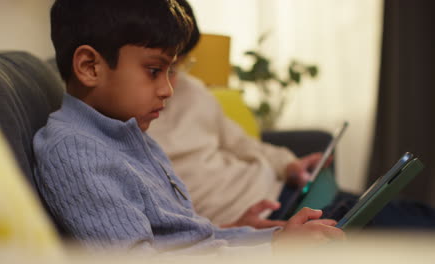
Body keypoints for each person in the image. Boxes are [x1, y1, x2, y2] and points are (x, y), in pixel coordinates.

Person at [33, 0, 344, 255]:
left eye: (171, 70)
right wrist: (271, 250)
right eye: (154, 70)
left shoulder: (129, 132)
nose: (169, 89)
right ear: (90, 66)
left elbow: (195, 237)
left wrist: (273, 237)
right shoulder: (76, 151)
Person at [148, 1, 435, 230]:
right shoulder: (131, 123)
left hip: (284, 193)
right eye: (159, 68)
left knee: (404, 210)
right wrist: (230, 231)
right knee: (403, 224)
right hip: (260, 219)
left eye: (181, 64)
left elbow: (246, 145)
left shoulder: (194, 90)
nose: (172, 83)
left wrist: (289, 166)